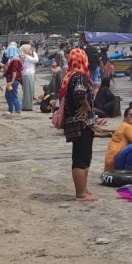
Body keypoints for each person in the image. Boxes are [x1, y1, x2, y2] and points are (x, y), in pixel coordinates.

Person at [59, 48, 96, 201]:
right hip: (81, 122)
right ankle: (80, 193)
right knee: (81, 159)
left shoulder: (70, 76)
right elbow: (80, 93)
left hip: (75, 123)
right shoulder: (80, 76)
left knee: (83, 157)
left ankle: (83, 189)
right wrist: (86, 105)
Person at [3, 44, 22, 115]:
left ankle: (17, 110)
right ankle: (11, 109)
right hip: (11, 79)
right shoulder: (12, 60)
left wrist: (12, 81)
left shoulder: (15, 60)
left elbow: (14, 71)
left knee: (13, 94)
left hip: (13, 79)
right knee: (9, 94)